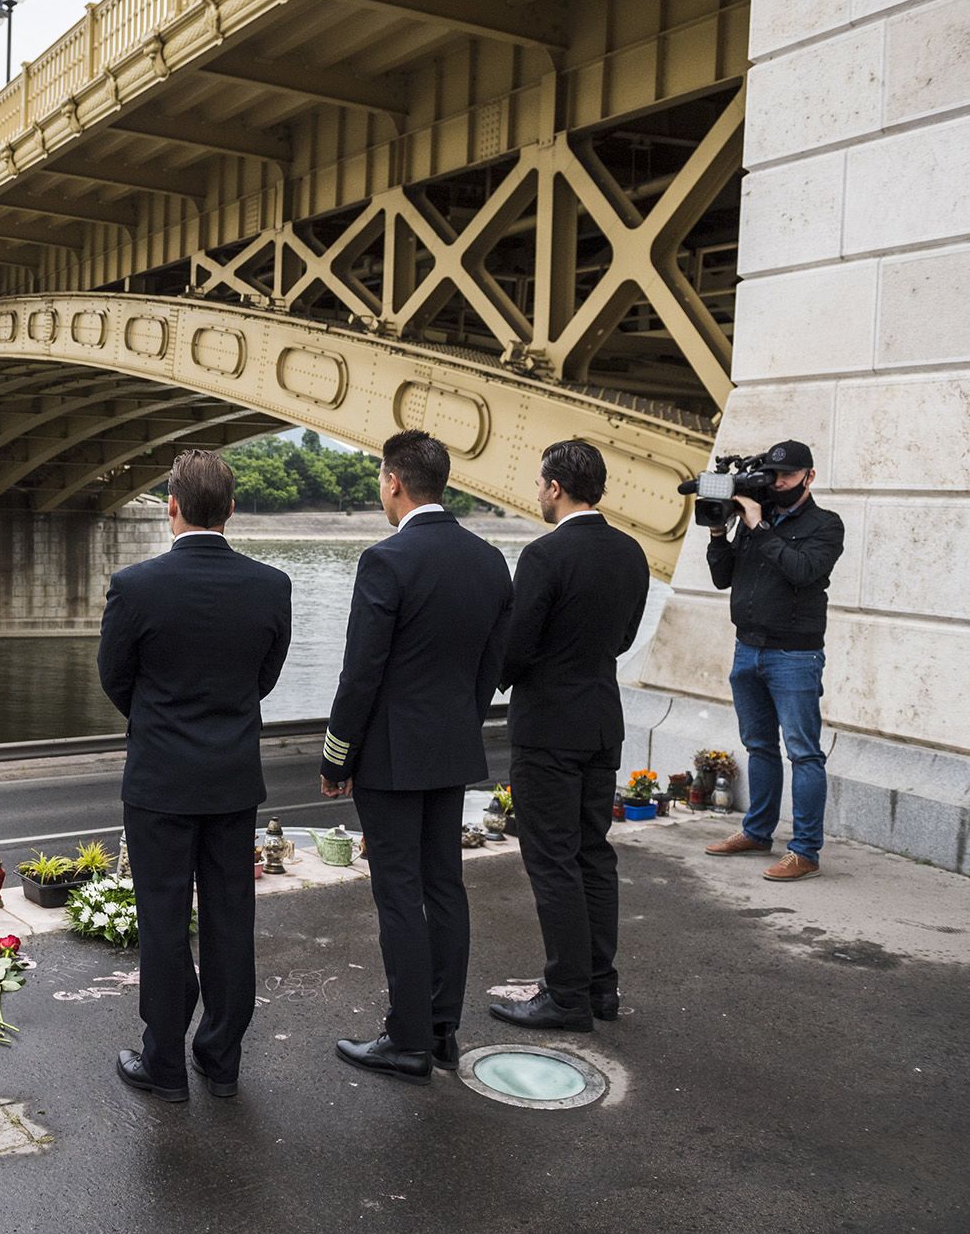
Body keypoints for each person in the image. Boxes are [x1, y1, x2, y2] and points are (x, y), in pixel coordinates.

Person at [98, 449, 293, 1102]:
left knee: (162, 916)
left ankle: (165, 1063)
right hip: (232, 776)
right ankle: (222, 1056)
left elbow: (115, 678)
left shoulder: (135, 586)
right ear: (232, 510)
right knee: (231, 916)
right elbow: (263, 677)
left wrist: (159, 720)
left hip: (160, 778)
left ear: (172, 506)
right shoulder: (271, 586)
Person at [319, 430, 511, 1084]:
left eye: (380, 479)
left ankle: (404, 1041)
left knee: (398, 894)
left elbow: (360, 675)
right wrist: (457, 721)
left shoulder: (386, 560)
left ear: (394, 481)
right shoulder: (490, 560)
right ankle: (441, 1029)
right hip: (450, 749)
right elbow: (491, 667)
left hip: (392, 758)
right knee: (444, 888)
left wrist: (337, 755)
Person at [487, 440, 649, 1032]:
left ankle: (565, 996)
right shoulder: (631, 553)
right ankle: (600, 988)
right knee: (592, 854)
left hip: (549, 725)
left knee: (552, 861)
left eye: (540, 482)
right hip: (601, 719)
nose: (537, 492)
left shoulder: (544, 556)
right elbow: (625, 635)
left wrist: (494, 679)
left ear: (555, 487)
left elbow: (517, 644)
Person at [702, 439, 845, 881]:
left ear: (809, 476)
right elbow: (722, 577)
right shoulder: (749, 519)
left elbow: (803, 571)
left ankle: (804, 851)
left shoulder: (826, 525)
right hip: (747, 648)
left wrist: (761, 526)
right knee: (758, 745)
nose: (778, 483)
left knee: (804, 753)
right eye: (773, 475)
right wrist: (717, 531)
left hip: (794, 654)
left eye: (786, 476)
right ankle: (757, 832)